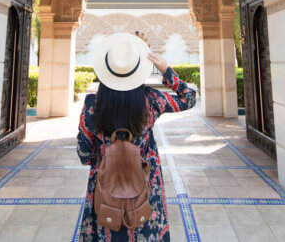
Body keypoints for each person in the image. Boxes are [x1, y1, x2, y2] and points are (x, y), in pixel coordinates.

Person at [77, 32, 196, 241]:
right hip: (145, 186)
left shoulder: (92, 105)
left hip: (106, 188)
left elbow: (84, 154)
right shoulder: (151, 100)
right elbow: (189, 98)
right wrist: (167, 71)